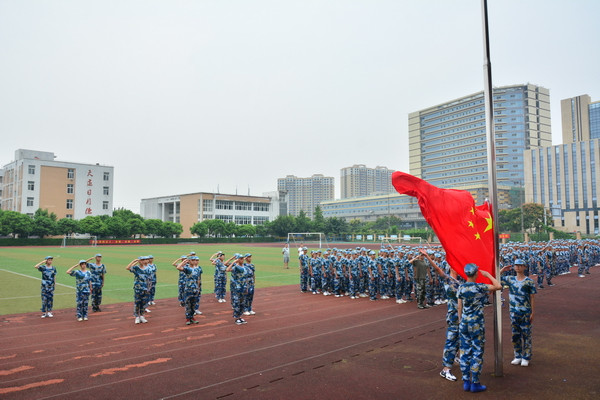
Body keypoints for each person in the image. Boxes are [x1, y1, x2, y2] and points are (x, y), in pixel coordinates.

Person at [457, 263, 502, 393]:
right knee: (477, 352)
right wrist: (488, 275)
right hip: (476, 323)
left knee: (465, 352)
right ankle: (475, 383)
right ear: (476, 273)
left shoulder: (461, 288)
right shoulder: (480, 287)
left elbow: (459, 307)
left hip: (464, 323)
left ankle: (466, 381)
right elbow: (498, 286)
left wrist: (461, 320)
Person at [420, 249, 460, 382]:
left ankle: (454, 356)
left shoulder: (461, 282)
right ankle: (445, 369)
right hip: (453, 316)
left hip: (462, 316)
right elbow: (437, 269)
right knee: (451, 341)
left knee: (459, 339)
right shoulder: (449, 280)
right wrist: (427, 257)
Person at [500, 259, 536, 367]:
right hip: (514, 312)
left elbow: (532, 297)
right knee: (515, 335)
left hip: (525, 312)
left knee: (526, 335)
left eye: (520, 265)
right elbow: (496, 279)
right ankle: (517, 355)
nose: (517, 267)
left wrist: (532, 312)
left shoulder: (529, 281)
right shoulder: (510, 279)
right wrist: (502, 270)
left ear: (525, 267)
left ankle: (526, 356)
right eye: (516, 265)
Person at [176, 255, 203, 325]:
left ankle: (192, 317)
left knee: (194, 304)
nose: (194, 261)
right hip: (188, 289)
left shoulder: (198, 269)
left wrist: (199, 288)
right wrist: (184, 262)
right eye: (192, 260)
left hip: (196, 289)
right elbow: (178, 267)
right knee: (188, 304)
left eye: (195, 260)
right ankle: (188, 318)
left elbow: (199, 279)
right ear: (189, 261)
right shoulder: (187, 269)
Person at [126, 256, 152, 324]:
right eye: (141, 260)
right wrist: (134, 261)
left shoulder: (148, 269)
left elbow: (149, 279)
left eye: (143, 260)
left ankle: (142, 316)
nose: (142, 261)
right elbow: (128, 268)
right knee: (137, 303)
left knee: (144, 303)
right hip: (138, 288)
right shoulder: (136, 268)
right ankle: (137, 317)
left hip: (145, 288)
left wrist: (149, 288)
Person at [227, 253, 248, 325]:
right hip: (237, 288)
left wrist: (246, 287)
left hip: (244, 287)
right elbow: (227, 269)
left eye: (242, 258)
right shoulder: (236, 267)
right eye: (240, 258)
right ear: (238, 259)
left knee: (243, 303)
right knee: (237, 302)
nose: (242, 260)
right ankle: (236, 318)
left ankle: (240, 316)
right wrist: (233, 262)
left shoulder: (245, 267)